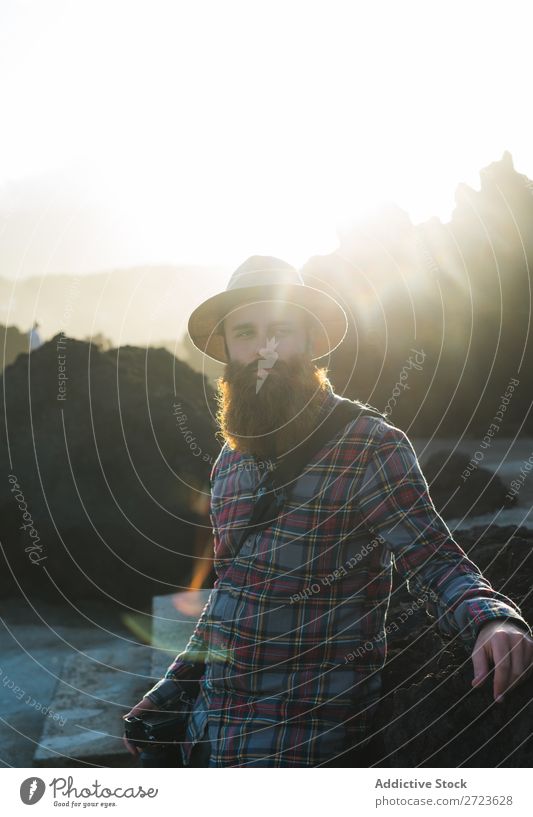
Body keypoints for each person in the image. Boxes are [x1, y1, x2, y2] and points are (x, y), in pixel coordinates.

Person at [123, 255, 533, 768]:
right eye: (246, 333)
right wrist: (168, 692)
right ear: (227, 349)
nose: (263, 350)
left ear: (313, 341)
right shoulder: (231, 460)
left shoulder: (372, 448)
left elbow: (436, 559)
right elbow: (231, 596)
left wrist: (492, 622)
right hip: (212, 731)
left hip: (305, 740)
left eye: (281, 330)